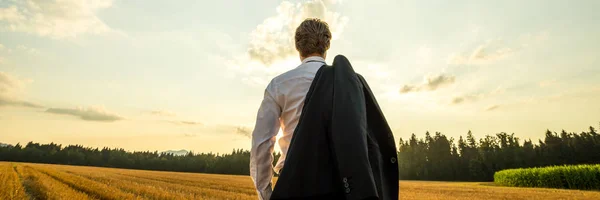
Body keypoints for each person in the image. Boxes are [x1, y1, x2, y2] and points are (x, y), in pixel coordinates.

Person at [249, 18, 332, 200]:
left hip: (293, 184)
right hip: (341, 187)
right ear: (327, 45)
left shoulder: (279, 85)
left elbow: (261, 143)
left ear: (298, 47)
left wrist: (265, 193)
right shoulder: (348, 84)